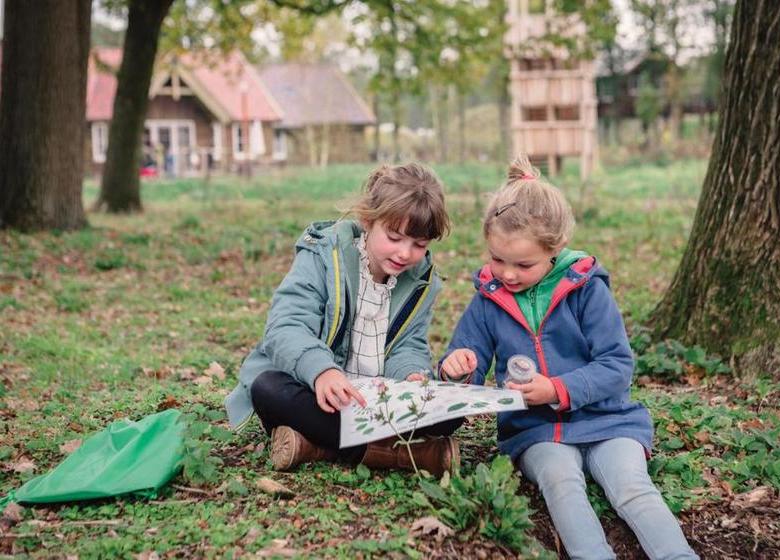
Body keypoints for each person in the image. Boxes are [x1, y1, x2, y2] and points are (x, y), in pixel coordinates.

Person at [439, 155, 698, 559]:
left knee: (632, 486)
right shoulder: (490, 298)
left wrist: (557, 388)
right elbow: (467, 361)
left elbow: (616, 366)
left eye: (523, 264)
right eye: (497, 259)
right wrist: (458, 367)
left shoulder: (587, 289)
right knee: (561, 482)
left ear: (554, 250)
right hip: (536, 429)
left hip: (609, 421)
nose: (507, 274)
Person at [225, 163, 461, 476]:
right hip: (320, 394)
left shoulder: (421, 281)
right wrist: (321, 371)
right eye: (394, 237)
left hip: (372, 400)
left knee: (450, 412)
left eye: (419, 245)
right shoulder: (323, 255)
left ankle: (316, 446)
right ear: (367, 220)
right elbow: (286, 327)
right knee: (267, 388)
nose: (405, 253)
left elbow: (409, 345)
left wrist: (412, 377)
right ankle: (402, 454)